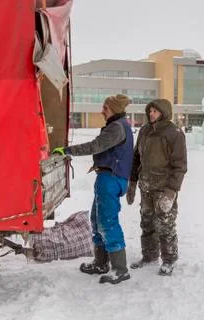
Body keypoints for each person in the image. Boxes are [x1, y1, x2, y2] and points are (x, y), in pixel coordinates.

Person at [52, 94, 133, 284]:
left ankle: (120, 269)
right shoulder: (119, 125)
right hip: (108, 176)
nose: (102, 111)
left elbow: (96, 146)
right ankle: (101, 262)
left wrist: (68, 150)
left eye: (105, 108)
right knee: (97, 220)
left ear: (114, 109)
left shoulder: (117, 127)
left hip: (111, 178)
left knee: (107, 222)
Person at [126, 99, 187, 276]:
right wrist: (132, 182)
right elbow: (136, 157)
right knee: (146, 222)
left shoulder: (174, 133)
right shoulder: (145, 130)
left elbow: (180, 166)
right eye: (150, 111)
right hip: (146, 186)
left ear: (164, 112)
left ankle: (169, 260)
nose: (151, 114)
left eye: (155, 111)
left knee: (165, 224)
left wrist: (171, 192)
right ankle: (150, 256)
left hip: (163, 188)